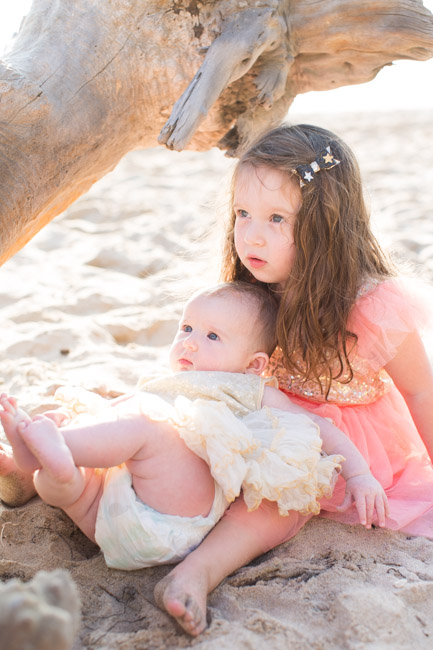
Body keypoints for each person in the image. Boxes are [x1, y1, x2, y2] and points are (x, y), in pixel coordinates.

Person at [152, 123, 433, 636]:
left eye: (277, 218)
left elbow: (420, 389)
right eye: (242, 215)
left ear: (325, 224)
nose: (251, 236)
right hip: (260, 409)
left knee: (274, 503)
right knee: (173, 448)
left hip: (338, 445)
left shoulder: (370, 303)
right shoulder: (251, 295)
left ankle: (195, 574)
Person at [0, 282, 385, 573]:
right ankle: (51, 466)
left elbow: (320, 427)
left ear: (253, 365)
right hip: (106, 522)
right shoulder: (162, 384)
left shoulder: (250, 389)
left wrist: (360, 475)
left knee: (146, 426)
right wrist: (85, 420)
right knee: (70, 481)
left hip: (175, 518)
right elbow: (117, 418)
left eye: (212, 336)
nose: (190, 343)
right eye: (186, 328)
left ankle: (42, 450)